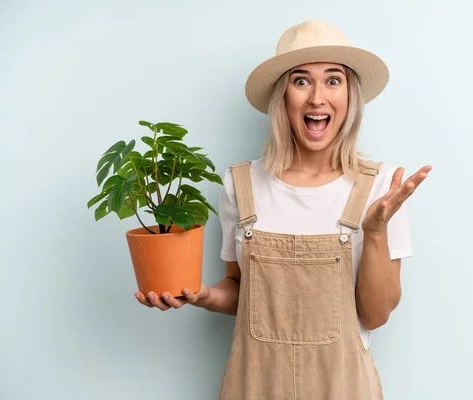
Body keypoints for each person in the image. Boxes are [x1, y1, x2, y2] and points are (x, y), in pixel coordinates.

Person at [136, 20, 431, 399]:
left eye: (333, 80)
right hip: (254, 388)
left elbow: (375, 316)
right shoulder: (240, 184)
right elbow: (242, 290)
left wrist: (374, 231)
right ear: (283, 96)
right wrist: (204, 296)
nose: (317, 98)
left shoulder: (382, 188)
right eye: (301, 80)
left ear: (350, 96)